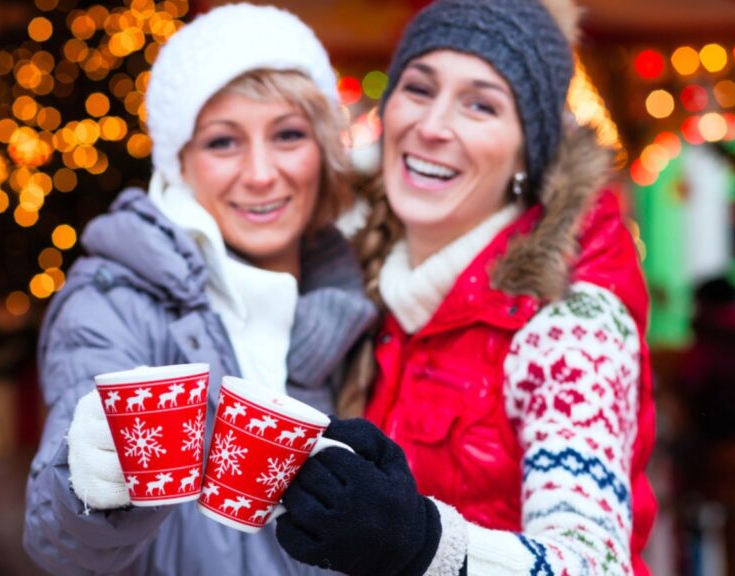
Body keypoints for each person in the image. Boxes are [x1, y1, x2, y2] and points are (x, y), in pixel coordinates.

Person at [274, 0, 657, 575]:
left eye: (481, 104)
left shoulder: (572, 324)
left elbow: (592, 564)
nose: (432, 127)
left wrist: (423, 543)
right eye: (419, 89)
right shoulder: (362, 292)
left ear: (528, 151)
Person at [22, 4, 376, 575]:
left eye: (288, 135)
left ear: (324, 148)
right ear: (179, 162)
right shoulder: (115, 303)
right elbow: (57, 540)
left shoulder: (361, 295)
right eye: (222, 142)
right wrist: (89, 481)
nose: (260, 174)